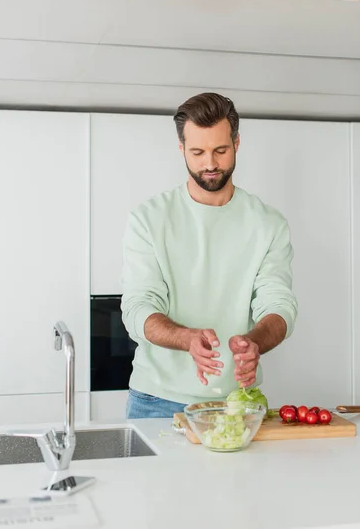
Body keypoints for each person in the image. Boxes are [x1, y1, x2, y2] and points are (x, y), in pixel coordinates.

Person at [120, 92, 298, 419]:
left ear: (237, 143)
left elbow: (279, 304)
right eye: (198, 152)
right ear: (181, 149)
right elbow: (137, 306)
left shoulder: (268, 224)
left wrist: (255, 342)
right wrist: (185, 338)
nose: (210, 164)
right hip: (155, 402)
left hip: (239, 403)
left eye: (220, 150)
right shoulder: (149, 219)